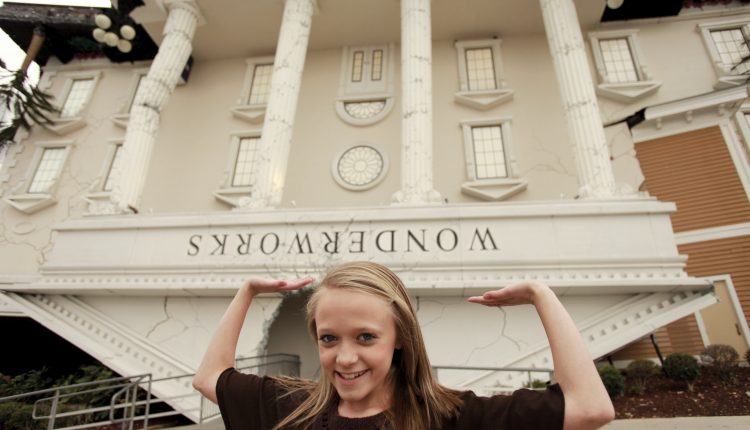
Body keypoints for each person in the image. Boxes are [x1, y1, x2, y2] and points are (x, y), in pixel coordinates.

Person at [193, 261, 614, 430]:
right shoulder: (289, 409)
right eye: (328, 339)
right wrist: (246, 291)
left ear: (399, 340)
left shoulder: (450, 418)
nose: (344, 357)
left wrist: (542, 295)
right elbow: (209, 376)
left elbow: (591, 408)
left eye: (366, 337)